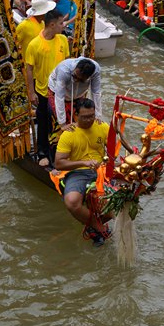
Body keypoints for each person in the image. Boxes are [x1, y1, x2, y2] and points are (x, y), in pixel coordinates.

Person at [54, 98, 111, 246]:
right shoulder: (68, 134)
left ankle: (92, 229)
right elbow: (59, 163)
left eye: (92, 116)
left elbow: (113, 151)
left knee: (114, 207)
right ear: (76, 116)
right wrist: (83, 163)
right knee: (72, 202)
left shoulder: (102, 126)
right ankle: (99, 228)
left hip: (101, 170)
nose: (89, 120)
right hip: (78, 172)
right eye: (85, 117)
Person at [24, 9, 70, 163]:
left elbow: (68, 64)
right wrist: (31, 92)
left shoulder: (63, 40)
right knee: (44, 123)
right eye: (61, 23)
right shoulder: (34, 44)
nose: (63, 26)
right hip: (43, 91)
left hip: (61, 92)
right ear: (51, 24)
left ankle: (60, 151)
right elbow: (29, 69)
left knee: (61, 123)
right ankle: (43, 152)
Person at [48, 57, 102, 124]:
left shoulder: (96, 71)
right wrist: (62, 123)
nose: (76, 80)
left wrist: (98, 116)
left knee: (79, 121)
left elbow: (96, 93)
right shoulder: (64, 70)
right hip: (57, 92)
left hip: (79, 94)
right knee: (59, 123)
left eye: (80, 80)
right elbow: (59, 97)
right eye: (75, 76)